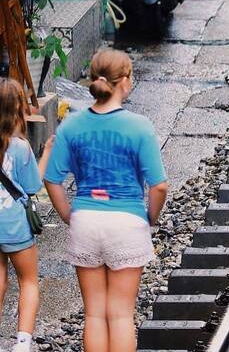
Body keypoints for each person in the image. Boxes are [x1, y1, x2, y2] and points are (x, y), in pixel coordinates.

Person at [44, 48, 169, 352]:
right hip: (127, 221)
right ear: (124, 81)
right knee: (122, 315)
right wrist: (148, 218)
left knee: (95, 314)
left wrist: (69, 215)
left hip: (86, 220)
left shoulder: (72, 125)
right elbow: (159, 186)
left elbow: (52, 179)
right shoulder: (139, 126)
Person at [0, 79, 53, 352]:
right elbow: (33, 187)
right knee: (29, 281)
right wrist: (47, 154)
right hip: (14, 225)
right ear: (17, 108)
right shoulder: (20, 147)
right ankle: (22, 344)